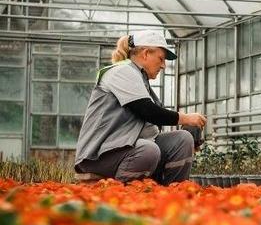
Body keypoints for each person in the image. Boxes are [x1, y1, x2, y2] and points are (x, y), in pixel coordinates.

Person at [74, 30, 207, 185]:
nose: (163, 65)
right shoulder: (122, 71)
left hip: (127, 150)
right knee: (148, 149)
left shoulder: (140, 79)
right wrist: (186, 118)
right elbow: (147, 111)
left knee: (182, 140)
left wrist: (189, 132)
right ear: (145, 54)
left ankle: (172, 194)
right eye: (161, 59)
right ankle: (124, 194)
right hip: (98, 156)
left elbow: (152, 124)